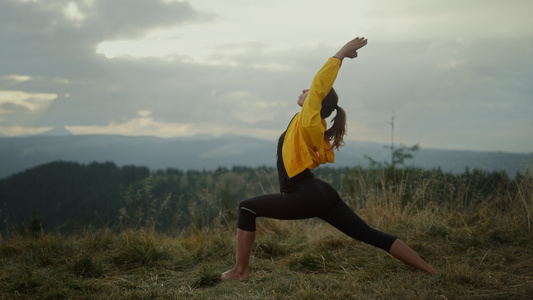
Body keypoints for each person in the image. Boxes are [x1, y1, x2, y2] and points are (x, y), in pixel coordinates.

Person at [221, 37, 436, 280]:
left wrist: (341, 54)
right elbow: (317, 89)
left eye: (310, 93)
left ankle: (240, 271)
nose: (304, 91)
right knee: (367, 233)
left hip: (303, 193)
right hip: (319, 192)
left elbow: (319, 82)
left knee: (246, 207)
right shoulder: (312, 122)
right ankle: (430, 270)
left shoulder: (310, 120)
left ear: (317, 101)